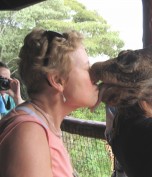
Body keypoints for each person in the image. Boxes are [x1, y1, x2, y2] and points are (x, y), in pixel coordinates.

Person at [0, 28, 99, 177]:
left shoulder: (43, 126)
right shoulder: (29, 134)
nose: (95, 75)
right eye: (87, 68)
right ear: (58, 80)